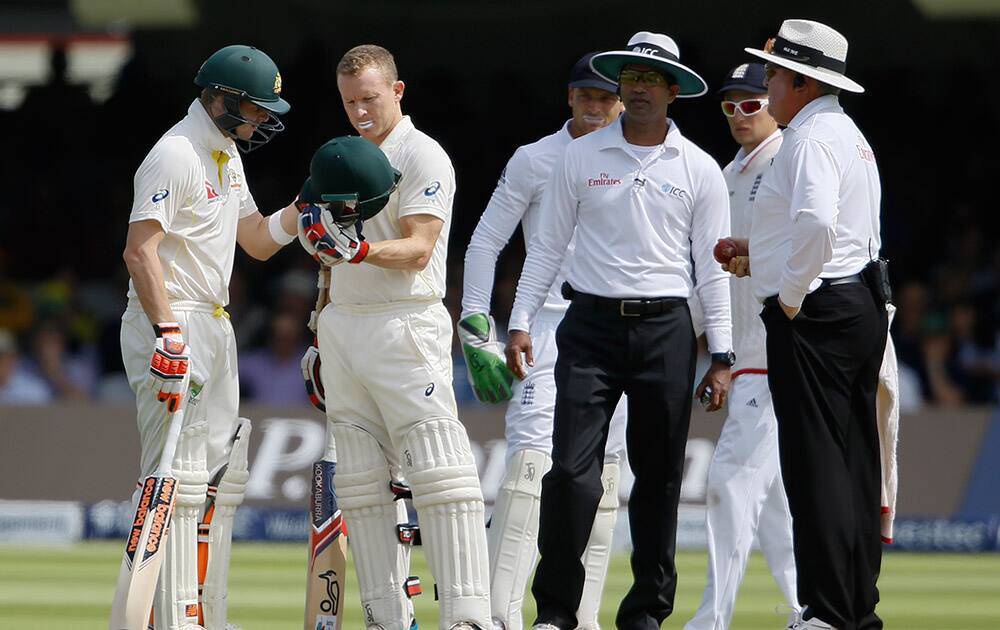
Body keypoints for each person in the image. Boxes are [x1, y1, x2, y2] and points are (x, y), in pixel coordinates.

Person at [505, 32, 734, 630]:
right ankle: (556, 610)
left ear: (674, 90)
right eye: (631, 76)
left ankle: (646, 613)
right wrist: (521, 320)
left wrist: (723, 353)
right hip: (590, 327)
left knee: (658, 479)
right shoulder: (580, 157)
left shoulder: (700, 168)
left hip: (667, 330)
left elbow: (711, 269)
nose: (637, 87)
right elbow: (547, 247)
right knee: (572, 473)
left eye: (652, 78)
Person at [304, 44, 492, 630]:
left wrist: (358, 249)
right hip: (344, 328)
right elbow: (328, 262)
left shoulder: (422, 155)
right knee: (359, 481)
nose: (359, 111)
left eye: (369, 98)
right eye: (349, 101)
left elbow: (419, 248)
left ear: (397, 91)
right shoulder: (341, 159)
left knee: (439, 467)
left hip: (404, 321)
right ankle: (387, 618)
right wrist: (317, 329)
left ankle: (467, 616)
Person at [119, 44, 300, 630]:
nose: (261, 120)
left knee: (211, 476)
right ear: (220, 99)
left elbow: (254, 239)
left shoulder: (225, 153)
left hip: (214, 323)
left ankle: (195, 610)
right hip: (174, 319)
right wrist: (168, 334)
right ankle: (165, 616)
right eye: (254, 108)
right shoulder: (175, 154)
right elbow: (139, 251)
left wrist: (304, 209)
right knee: (173, 473)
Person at [460, 52, 627, 630]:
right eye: (586, 95)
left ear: (624, 101)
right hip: (546, 329)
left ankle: (582, 617)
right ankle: (495, 614)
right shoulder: (535, 159)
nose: (596, 107)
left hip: (621, 332)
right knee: (531, 463)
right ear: (569, 97)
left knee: (605, 477)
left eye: (607, 98)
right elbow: (484, 243)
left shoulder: (641, 158)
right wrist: (476, 326)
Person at [741, 20, 890, 630]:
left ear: (801, 81)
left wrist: (791, 298)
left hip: (819, 312)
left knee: (816, 464)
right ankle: (855, 609)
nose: (766, 81)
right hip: (857, 303)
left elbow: (818, 225)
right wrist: (760, 254)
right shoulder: (846, 132)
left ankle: (827, 612)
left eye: (773, 73)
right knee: (853, 462)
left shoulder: (805, 139)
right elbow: (836, 230)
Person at [683, 62, 798, 630]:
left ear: (774, 103)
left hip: (777, 355)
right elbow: (716, 274)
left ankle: (712, 620)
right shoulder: (729, 170)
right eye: (730, 106)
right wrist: (698, 341)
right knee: (773, 507)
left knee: (730, 481)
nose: (738, 115)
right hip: (747, 353)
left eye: (751, 104)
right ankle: (809, 611)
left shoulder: (786, 160)